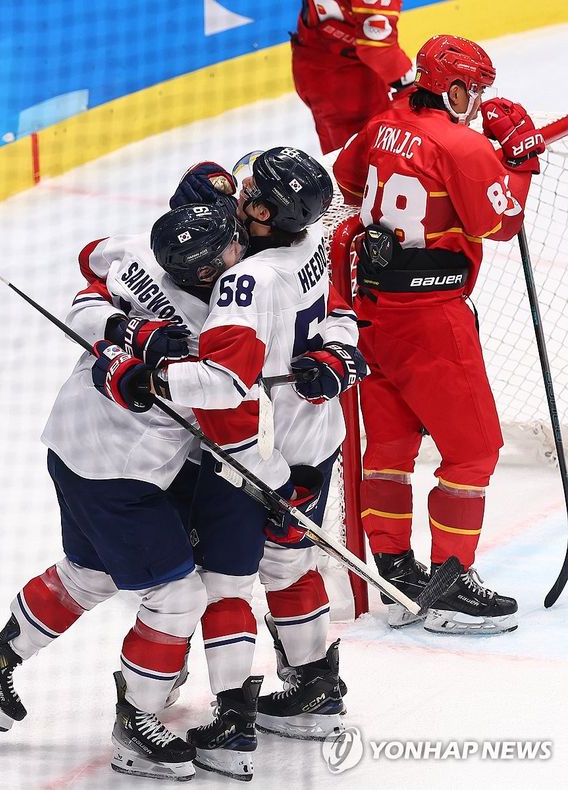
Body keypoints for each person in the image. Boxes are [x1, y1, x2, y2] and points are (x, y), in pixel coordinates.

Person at [0, 202, 249, 782]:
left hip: (74, 444)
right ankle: (138, 722)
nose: (243, 249)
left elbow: (90, 267)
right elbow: (221, 393)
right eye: (233, 246)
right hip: (117, 470)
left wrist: (119, 337)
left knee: (90, 575)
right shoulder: (218, 318)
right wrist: (129, 337)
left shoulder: (145, 254)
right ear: (205, 270)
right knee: (176, 597)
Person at [93, 146, 366, 776]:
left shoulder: (245, 280)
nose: (238, 197)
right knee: (290, 564)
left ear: (266, 213)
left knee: (226, 583)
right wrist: (339, 354)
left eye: (249, 193)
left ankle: (232, 722)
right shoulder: (312, 243)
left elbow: (222, 390)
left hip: (257, 454)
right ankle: (316, 688)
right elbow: (340, 310)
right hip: (315, 439)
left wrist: (149, 377)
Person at [332, 34, 546, 634]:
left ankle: (395, 575)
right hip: (431, 321)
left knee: (390, 448)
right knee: (473, 452)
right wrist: (520, 163)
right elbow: (500, 223)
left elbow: (347, 183)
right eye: (469, 89)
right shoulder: (464, 144)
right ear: (444, 86)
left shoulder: (383, 123)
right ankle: (451, 586)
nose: (475, 102)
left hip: (369, 314)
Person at [291, 0, 414, 154]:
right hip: (351, 87)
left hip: (313, 61)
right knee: (366, 159)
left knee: (336, 158)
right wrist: (416, 88)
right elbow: (377, 50)